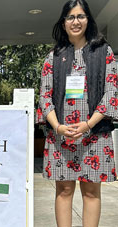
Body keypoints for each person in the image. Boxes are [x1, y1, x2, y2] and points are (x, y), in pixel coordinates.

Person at [37, 0, 118, 226]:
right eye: (70, 17)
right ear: (63, 23)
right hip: (60, 135)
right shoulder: (52, 57)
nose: (76, 21)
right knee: (63, 191)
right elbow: (44, 95)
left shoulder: (104, 52)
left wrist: (88, 125)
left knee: (91, 192)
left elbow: (111, 92)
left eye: (80, 16)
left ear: (88, 20)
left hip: (95, 133)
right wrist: (58, 127)